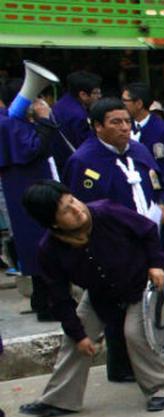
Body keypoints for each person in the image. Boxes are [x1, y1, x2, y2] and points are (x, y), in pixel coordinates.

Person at [18, 181, 164, 417]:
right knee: (75, 339)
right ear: (54, 223)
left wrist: (156, 264)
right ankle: (59, 400)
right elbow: (60, 298)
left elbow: (147, 230)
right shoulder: (49, 250)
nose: (76, 209)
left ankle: (163, 389)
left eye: (72, 200)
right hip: (99, 295)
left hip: (140, 286)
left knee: (135, 334)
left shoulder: (106, 212)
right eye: (65, 210)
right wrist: (79, 335)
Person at [64, 97, 164, 378]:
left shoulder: (139, 150)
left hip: (150, 242)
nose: (124, 127)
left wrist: (163, 203)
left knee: (158, 301)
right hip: (113, 250)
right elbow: (78, 211)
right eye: (115, 122)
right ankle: (122, 367)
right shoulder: (83, 161)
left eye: (126, 121)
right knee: (117, 309)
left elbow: (158, 183)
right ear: (97, 126)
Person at [0, 82, 65, 323]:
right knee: (40, 243)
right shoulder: (8, 123)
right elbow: (35, 149)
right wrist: (45, 119)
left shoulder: (13, 122)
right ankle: (49, 303)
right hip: (27, 190)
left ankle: (42, 299)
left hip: (28, 187)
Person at [123, 82, 164, 268]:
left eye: (125, 101)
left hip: (161, 198)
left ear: (138, 103)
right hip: (136, 197)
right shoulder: (126, 130)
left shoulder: (163, 130)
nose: (123, 105)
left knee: (163, 254)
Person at [52, 71, 102, 149]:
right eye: (95, 93)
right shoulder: (79, 117)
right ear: (83, 95)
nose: (99, 96)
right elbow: (86, 146)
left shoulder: (62, 102)